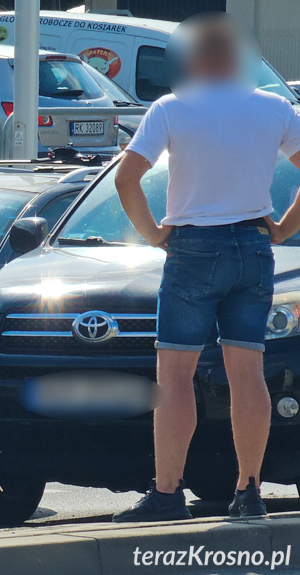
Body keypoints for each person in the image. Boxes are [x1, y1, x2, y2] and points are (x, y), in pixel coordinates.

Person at [112, 13, 300, 522]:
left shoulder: (171, 108)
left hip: (193, 248)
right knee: (248, 374)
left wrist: (154, 235)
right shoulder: (274, 108)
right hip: (255, 247)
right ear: (238, 58)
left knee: (174, 375)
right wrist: (282, 228)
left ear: (194, 59)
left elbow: (127, 179)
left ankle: (168, 494)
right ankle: (249, 490)